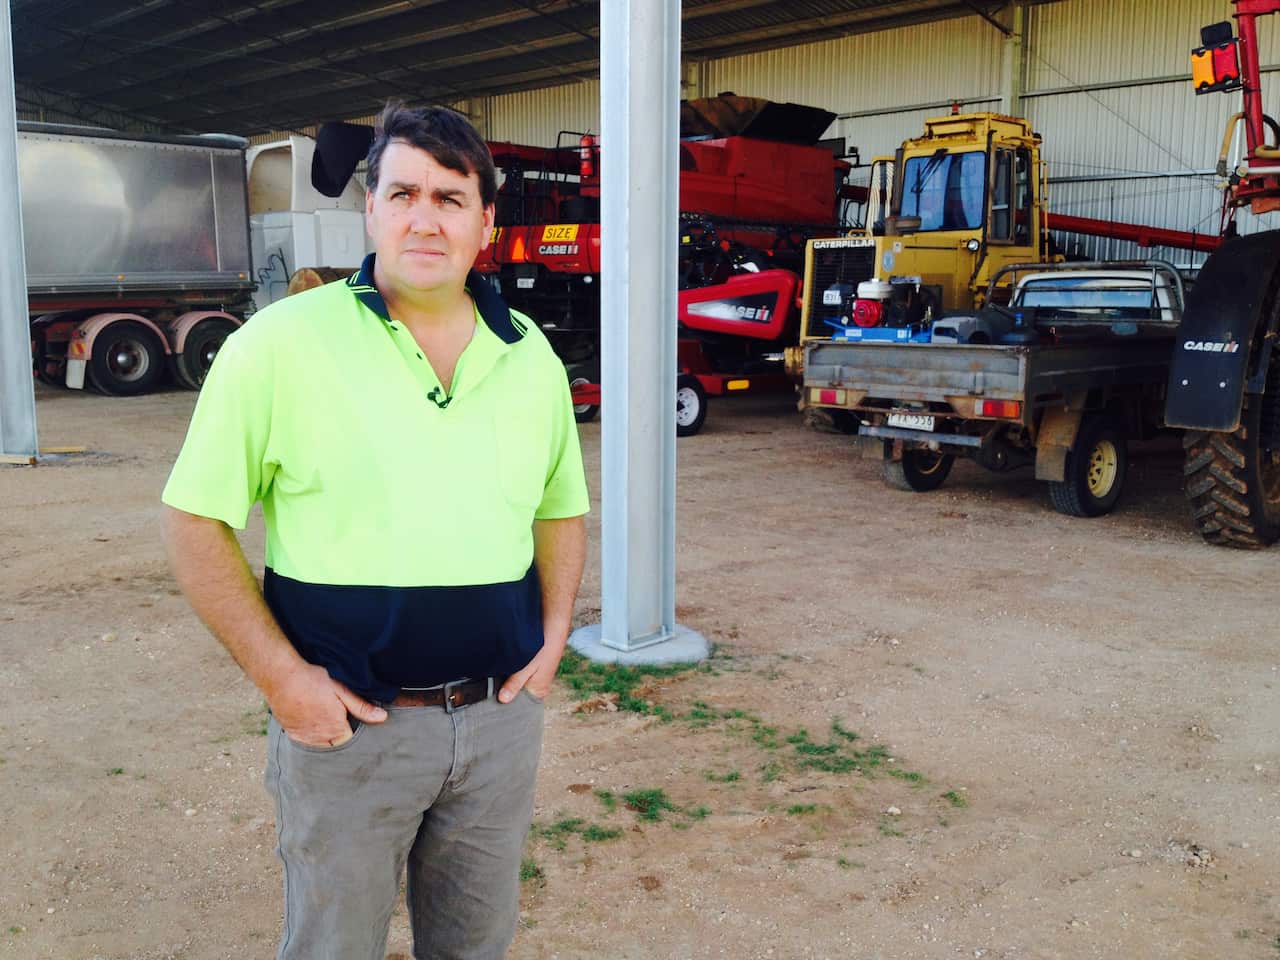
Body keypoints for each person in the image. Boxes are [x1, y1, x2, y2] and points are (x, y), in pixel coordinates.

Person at [161, 102, 589, 960]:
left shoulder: (530, 354)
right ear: (371, 210)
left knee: (475, 946)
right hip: (350, 732)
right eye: (403, 194)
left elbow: (559, 507)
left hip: (499, 724)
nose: (424, 218)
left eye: (450, 197)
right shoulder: (280, 345)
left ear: (486, 223)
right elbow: (194, 518)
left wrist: (553, 636)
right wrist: (284, 681)